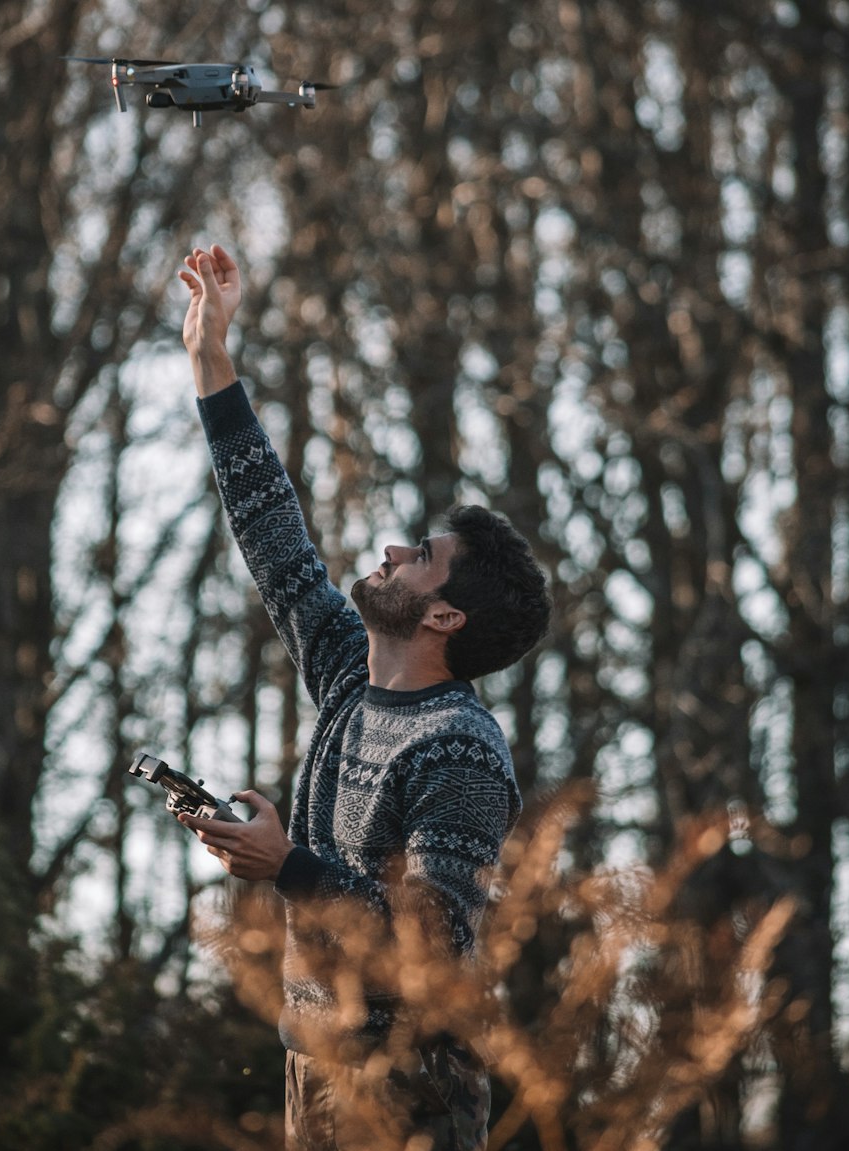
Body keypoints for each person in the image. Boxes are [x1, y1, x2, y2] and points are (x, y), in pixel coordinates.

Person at [175, 244, 551, 1150]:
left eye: (417, 557)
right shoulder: (350, 679)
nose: (390, 551)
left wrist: (287, 865)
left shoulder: (461, 749)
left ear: (446, 615)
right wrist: (210, 363)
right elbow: (274, 537)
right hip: (314, 1064)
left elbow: (431, 958)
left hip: (410, 1087)